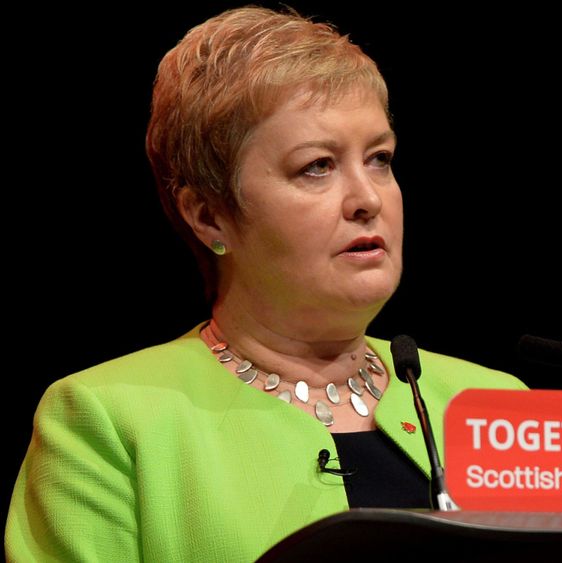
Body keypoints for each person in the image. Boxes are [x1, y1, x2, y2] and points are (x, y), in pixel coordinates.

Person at [5, 6, 527, 561]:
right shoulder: (108, 420)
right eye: (317, 167)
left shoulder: (493, 406)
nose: (368, 199)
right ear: (209, 216)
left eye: (380, 158)